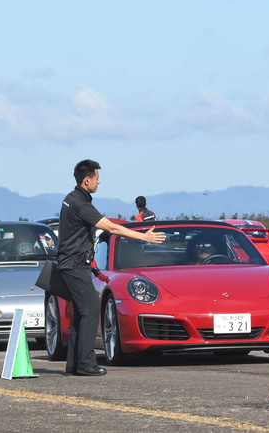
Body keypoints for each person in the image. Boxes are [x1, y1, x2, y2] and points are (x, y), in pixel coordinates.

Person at [57, 159, 166, 376]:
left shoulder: (71, 199)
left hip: (72, 264)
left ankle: (74, 364)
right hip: (75, 266)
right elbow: (113, 227)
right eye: (97, 178)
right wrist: (144, 237)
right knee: (90, 309)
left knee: (82, 312)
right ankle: (86, 363)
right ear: (87, 180)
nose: (99, 182)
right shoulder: (81, 204)